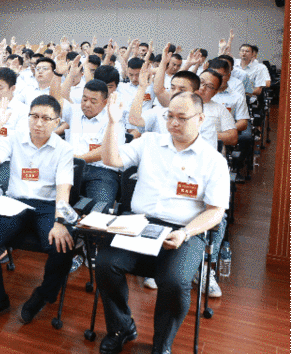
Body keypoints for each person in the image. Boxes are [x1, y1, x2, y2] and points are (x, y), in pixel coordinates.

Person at [97, 91, 229, 354]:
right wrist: (112, 123)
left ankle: (162, 344)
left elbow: (216, 212)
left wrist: (186, 233)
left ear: (200, 119)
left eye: (182, 118)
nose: (173, 123)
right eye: (169, 116)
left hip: (183, 232)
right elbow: (111, 159)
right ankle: (122, 327)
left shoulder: (213, 160)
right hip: (140, 224)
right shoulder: (149, 142)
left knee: (175, 281)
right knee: (105, 264)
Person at [0, 95, 75, 325]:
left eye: (46, 118)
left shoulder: (64, 149)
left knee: (63, 246)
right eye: (34, 116)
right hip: (15, 202)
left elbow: (63, 189)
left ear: (57, 122)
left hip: (47, 205)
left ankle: (43, 295)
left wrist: (60, 221)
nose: (38, 123)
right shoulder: (15, 137)